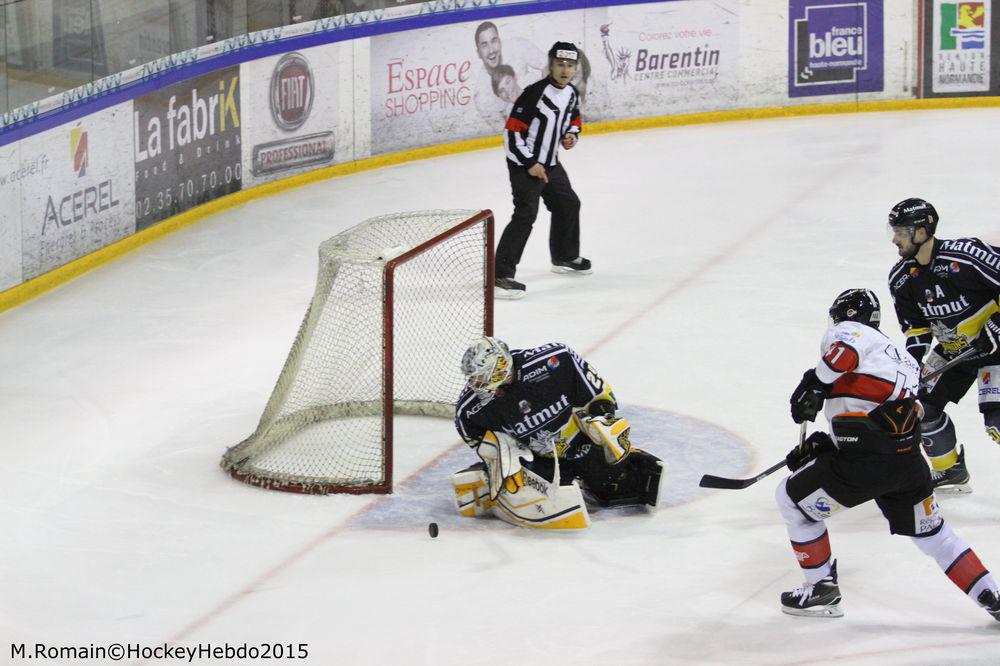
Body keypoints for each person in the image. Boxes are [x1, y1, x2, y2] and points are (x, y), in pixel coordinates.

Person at [779, 288, 1000, 620]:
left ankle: (820, 588)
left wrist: (815, 382)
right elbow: (892, 416)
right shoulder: (903, 358)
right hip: (907, 463)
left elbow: (843, 353)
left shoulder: (851, 332)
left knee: (791, 500)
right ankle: (993, 596)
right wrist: (828, 448)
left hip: (865, 461)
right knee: (936, 537)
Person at [451, 337, 664, 529]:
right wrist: (499, 460)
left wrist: (602, 421)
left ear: (499, 368)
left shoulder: (554, 361)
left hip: (579, 444)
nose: (476, 385)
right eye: (473, 379)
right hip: (537, 458)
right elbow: (478, 439)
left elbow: (599, 395)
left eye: (481, 377)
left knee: (618, 486)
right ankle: (488, 478)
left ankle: (613, 470)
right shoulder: (470, 410)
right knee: (538, 491)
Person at [887, 197, 1000, 494]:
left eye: (901, 232)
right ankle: (950, 470)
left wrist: (996, 326)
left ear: (922, 232)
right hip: (954, 350)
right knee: (919, 408)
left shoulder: (967, 257)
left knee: (997, 423)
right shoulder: (901, 278)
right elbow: (917, 330)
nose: (895, 239)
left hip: (995, 349)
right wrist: (911, 367)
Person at [494, 41, 590, 299]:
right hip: (523, 165)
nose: (565, 70)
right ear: (550, 65)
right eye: (560, 64)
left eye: (570, 65)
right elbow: (512, 134)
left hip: (550, 163)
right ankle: (499, 276)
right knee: (525, 215)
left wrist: (571, 135)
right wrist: (530, 164)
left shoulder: (571, 93)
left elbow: (574, 119)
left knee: (568, 204)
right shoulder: (534, 94)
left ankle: (564, 256)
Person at [472, 22, 545, 130]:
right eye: (484, 45)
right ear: (478, 53)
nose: (491, 50)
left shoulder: (517, 46)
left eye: (494, 41)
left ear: (500, 42)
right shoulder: (482, 96)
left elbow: (547, 65)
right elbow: (504, 131)